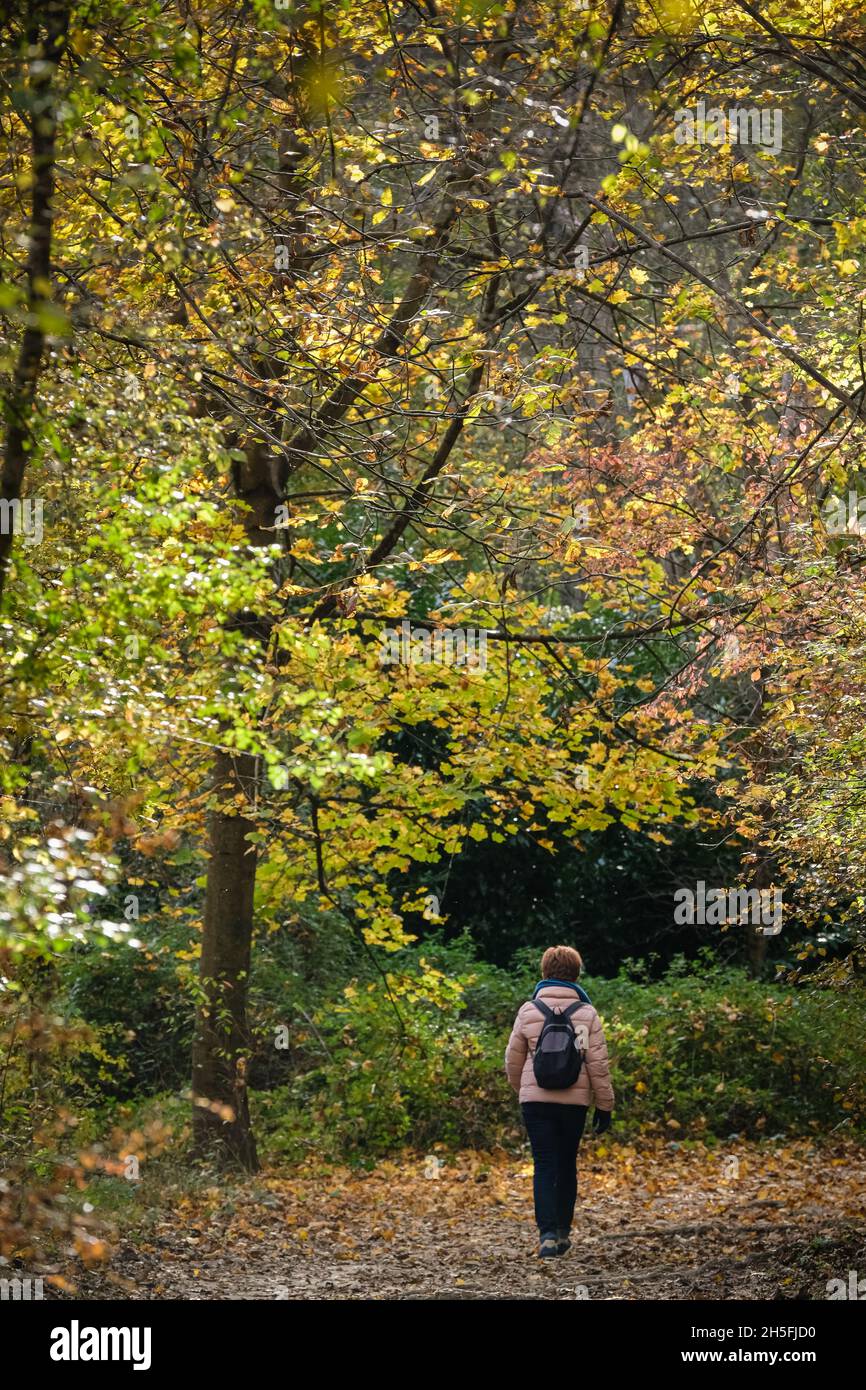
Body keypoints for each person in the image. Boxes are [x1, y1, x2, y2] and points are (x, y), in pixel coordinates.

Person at [505, 944, 614, 1257]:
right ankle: (564, 1232)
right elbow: (597, 1064)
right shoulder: (585, 1014)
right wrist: (604, 1106)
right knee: (567, 1164)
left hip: (535, 1103)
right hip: (573, 1103)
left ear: (544, 972)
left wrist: (524, 1092)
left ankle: (547, 1235)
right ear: (576, 974)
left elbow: (513, 1062)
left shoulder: (529, 1011)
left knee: (544, 1164)